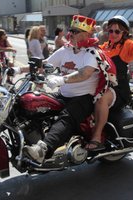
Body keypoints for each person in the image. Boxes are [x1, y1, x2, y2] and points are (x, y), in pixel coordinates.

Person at [24, 15, 101, 163]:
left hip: (84, 97)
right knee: (39, 104)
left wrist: (62, 79)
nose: (71, 34)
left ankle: (43, 149)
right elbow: (45, 63)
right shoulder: (66, 50)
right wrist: (17, 70)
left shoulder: (91, 52)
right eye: (71, 30)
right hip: (64, 94)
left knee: (67, 118)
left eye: (76, 31)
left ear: (87, 35)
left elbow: (85, 73)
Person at [86, 15, 133, 151]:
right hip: (102, 86)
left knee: (101, 98)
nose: (113, 34)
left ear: (124, 33)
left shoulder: (126, 46)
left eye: (117, 31)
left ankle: (96, 137)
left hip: (118, 90)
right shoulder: (104, 47)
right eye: (111, 31)